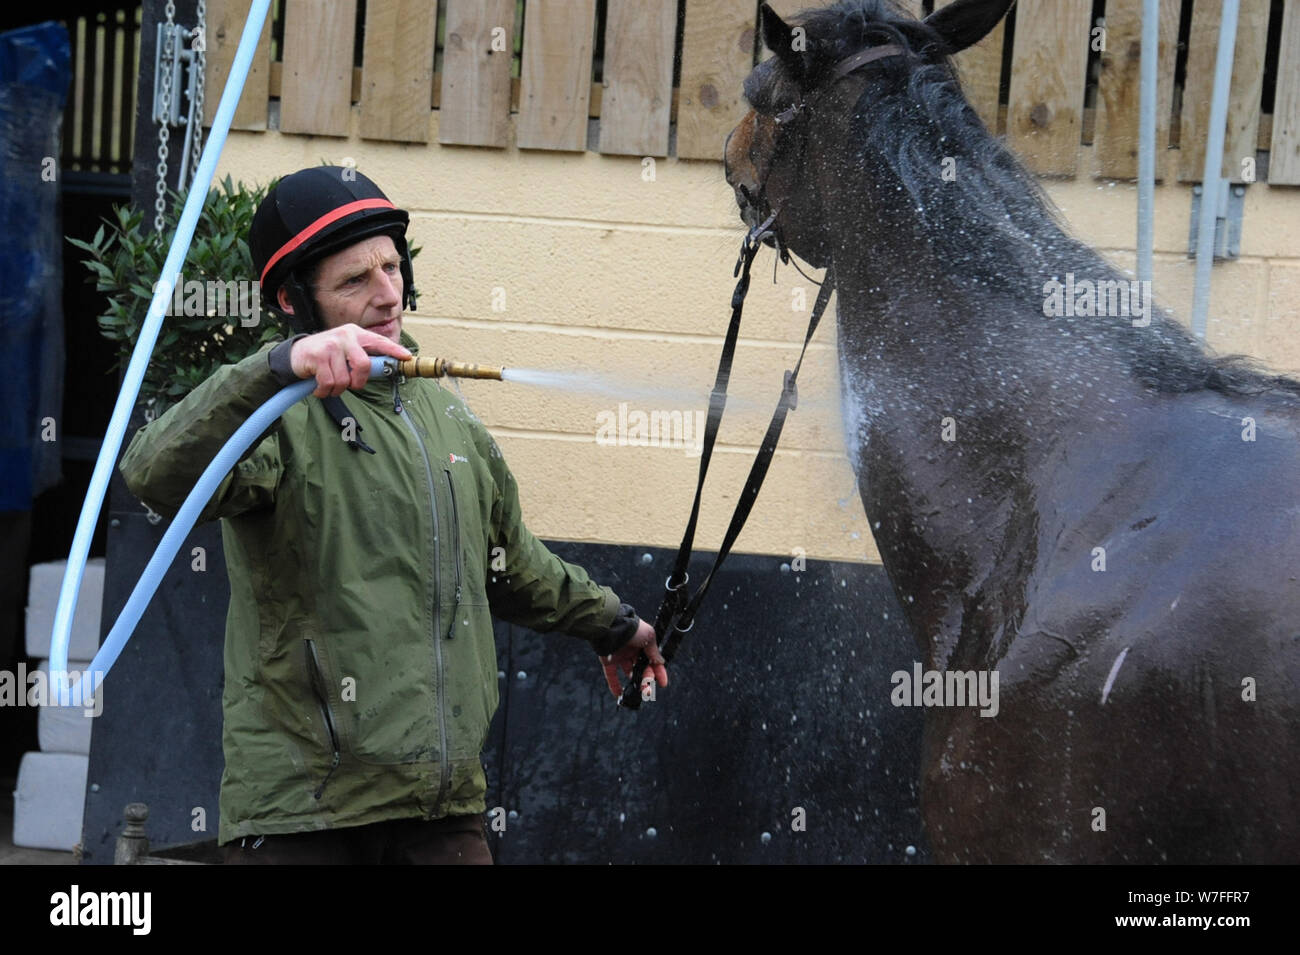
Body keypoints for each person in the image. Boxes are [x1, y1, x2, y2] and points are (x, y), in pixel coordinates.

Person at [119, 166, 667, 864]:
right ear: (294, 303)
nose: (387, 293)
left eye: (392, 266)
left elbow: (513, 566)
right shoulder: (272, 420)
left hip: (444, 812)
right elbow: (152, 474)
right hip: (304, 817)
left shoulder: (447, 416)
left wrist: (614, 625)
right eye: (354, 281)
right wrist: (276, 367)